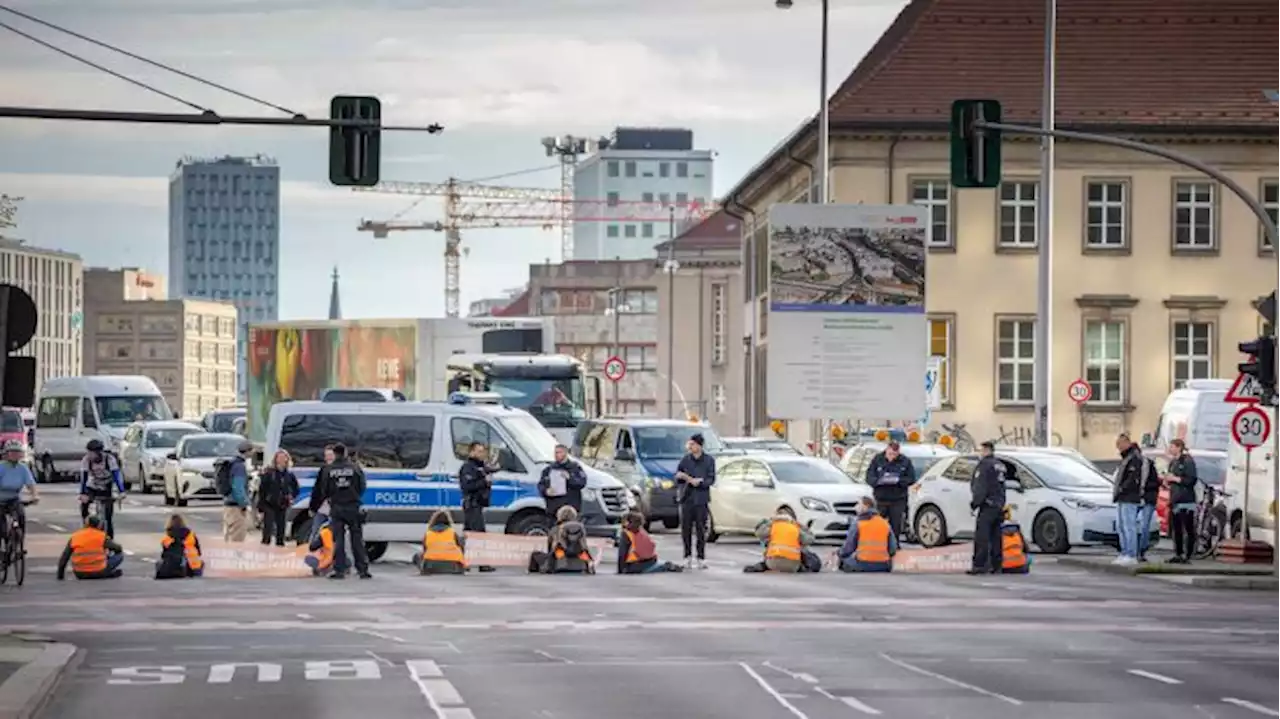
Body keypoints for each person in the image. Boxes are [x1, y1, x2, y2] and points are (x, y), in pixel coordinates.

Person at [308, 442, 371, 579]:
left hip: (337, 507)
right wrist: (353, 496)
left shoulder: (328, 470)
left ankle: (340, 569)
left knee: (338, 539)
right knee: (357, 539)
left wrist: (314, 507)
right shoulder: (355, 468)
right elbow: (362, 486)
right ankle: (362, 569)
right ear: (346, 453)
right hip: (353, 507)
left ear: (335, 454)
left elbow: (321, 491)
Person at [674, 433, 716, 570]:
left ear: (699, 445)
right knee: (685, 529)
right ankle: (687, 557)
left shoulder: (709, 460)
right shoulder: (685, 460)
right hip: (687, 497)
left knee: (700, 529)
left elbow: (711, 479)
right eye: (689, 444)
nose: (690, 447)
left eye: (692, 444)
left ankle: (701, 557)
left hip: (701, 499)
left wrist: (701, 481)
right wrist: (682, 477)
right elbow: (678, 475)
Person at [967, 440, 1007, 575]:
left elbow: (980, 487)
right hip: (998, 505)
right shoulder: (999, 465)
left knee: (982, 536)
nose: (980, 453)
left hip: (987, 505)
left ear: (986, 450)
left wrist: (974, 504)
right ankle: (997, 565)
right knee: (996, 537)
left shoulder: (984, 466)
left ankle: (980, 565)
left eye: (981, 450)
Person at [863, 441, 916, 540]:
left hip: (898, 498)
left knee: (896, 524)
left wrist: (898, 481)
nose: (892, 457)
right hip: (881, 498)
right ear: (886, 450)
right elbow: (869, 476)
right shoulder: (878, 459)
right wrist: (878, 481)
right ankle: (879, 543)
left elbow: (911, 478)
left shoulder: (905, 461)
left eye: (895, 454)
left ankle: (894, 544)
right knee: (878, 523)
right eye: (890, 454)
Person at [459, 441, 497, 572]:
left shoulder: (480, 467)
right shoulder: (468, 467)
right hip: (472, 504)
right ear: (472, 452)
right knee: (479, 534)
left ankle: (463, 561)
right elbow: (467, 486)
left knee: (469, 534)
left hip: (478, 504)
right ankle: (481, 563)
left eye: (483, 451)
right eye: (479, 451)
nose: (482, 454)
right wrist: (484, 481)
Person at [79, 439, 125, 539]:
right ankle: (86, 525)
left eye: (92, 453)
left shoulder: (109, 459)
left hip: (106, 486)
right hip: (92, 486)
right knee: (84, 505)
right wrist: (83, 493)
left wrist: (121, 491)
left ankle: (109, 538)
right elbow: (84, 478)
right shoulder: (86, 460)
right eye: (88, 453)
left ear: (99, 452)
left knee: (108, 516)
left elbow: (116, 475)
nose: (90, 455)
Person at [1112, 433, 1146, 566]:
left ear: (1127, 443)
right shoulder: (1126, 457)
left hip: (1130, 497)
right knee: (1121, 526)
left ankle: (1131, 554)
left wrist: (1122, 488)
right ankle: (1125, 552)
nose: (1118, 447)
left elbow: (1132, 478)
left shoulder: (1134, 458)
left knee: (1128, 526)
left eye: (1120, 444)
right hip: (1122, 497)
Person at [837, 497, 897, 572]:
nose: (855, 507)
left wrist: (839, 553)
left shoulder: (858, 523)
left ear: (865, 506)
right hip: (884, 565)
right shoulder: (885, 524)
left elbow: (848, 548)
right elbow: (893, 549)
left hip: (862, 564)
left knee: (844, 561)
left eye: (858, 504)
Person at [1163, 439, 1199, 564]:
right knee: (1176, 529)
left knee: (1188, 528)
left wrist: (1176, 479)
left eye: (1172, 446)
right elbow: (1171, 478)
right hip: (1175, 499)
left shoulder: (1187, 461)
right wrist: (1167, 481)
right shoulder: (1173, 462)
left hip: (1186, 500)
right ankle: (1177, 553)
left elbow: (1191, 480)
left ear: (1179, 448)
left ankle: (1188, 554)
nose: (1170, 449)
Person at [748, 508, 816, 573]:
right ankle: (803, 567)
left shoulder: (773, 526)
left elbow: (758, 532)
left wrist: (770, 521)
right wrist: (800, 525)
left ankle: (763, 566)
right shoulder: (795, 527)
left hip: (772, 564)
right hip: (793, 566)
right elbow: (810, 539)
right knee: (806, 552)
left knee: (767, 542)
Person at [529, 505, 594, 574]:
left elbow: (551, 548)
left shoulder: (555, 529)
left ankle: (533, 570)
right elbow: (584, 547)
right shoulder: (580, 528)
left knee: (535, 554)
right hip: (579, 563)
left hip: (560, 561)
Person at [56, 515, 124, 580]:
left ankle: (106, 573)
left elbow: (64, 557)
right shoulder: (101, 536)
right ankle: (107, 573)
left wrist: (60, 575)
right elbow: (118, 548)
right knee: (120, 555)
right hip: (99, 571)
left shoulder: (75, 536)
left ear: (85, 524)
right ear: (99, 525)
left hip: (80, 573)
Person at [617, 511, 682, 574]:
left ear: (629, 522)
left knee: (632, 570)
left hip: (638, 562)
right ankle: (663, 566)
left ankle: (664, 566)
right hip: (651, 559)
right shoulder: (642, 531)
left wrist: (621, 570)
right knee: (648, 568)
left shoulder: (626, 534)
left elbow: (622, 553)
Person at [257, 450, 299, 547]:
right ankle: (264, 549)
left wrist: (291, 496)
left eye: (283, 457)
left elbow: (296, 489)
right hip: (269, 504)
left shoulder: (289, 475)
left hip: (283, 505)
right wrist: (261, 508)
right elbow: (262, 490)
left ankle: (279, 549)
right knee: (268, 529)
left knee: (281, 530)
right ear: (275, 460)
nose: (281, 460)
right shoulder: (269, 473)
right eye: (279, 457)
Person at [0, 440, 38, 534]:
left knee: (21, 516)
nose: (15, 455)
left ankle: (20, 545)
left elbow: (30, 484)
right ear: (6, 454)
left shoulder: (23, 468)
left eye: (17, 452)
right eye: (12, 452)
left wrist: (34, 495)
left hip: (14, 499)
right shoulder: (1, 467)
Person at [538, 444, 587, 518]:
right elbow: (541, 485)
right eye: (555, 452)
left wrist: (570, 478)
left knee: (570, 528)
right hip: (554, 509)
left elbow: (582, 483)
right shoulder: (549, 469)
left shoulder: (575, 468)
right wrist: (546, 491)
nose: (556, 455)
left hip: (570, 509)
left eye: (559, 452)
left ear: (565, 453)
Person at [413, 509, 467, 575]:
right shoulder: (452, 533)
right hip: (454, 567)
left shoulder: (428, 534)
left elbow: (425, 550)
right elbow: (461, 548)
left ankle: (424, 570)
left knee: (417, 555)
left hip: (431, 567)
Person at [220, 441, 253, 543]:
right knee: (237, 537)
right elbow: (238, 487)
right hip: (235, 507)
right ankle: (236, 558)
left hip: (227, 505)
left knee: (228, 535)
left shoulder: (232, 463)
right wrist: (244, 504)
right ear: (248, 451)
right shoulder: (239, 466)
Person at [155, 513, 204, 579]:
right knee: (201, 563)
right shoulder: (191, 535)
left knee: (159, 563)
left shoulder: (167, 538)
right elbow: (199, 552)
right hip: (193, 568)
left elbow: (164, 555)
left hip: (172, 568)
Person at [1137, 439, 1162, 563]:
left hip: (1146, 498)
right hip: (1142, 498)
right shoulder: (1144, 464)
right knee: (1140, 525)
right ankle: (1139, 550)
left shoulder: (1147, 465)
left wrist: (1143, 489)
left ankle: (1141, 550)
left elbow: (1154, 482)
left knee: (1143, 525)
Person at [999, 506, 1030, 574]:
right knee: (1028, 556)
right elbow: (1027, 550)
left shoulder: (997, 530)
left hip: (1005, 567)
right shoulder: (1016, 529)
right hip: (1022, 567)